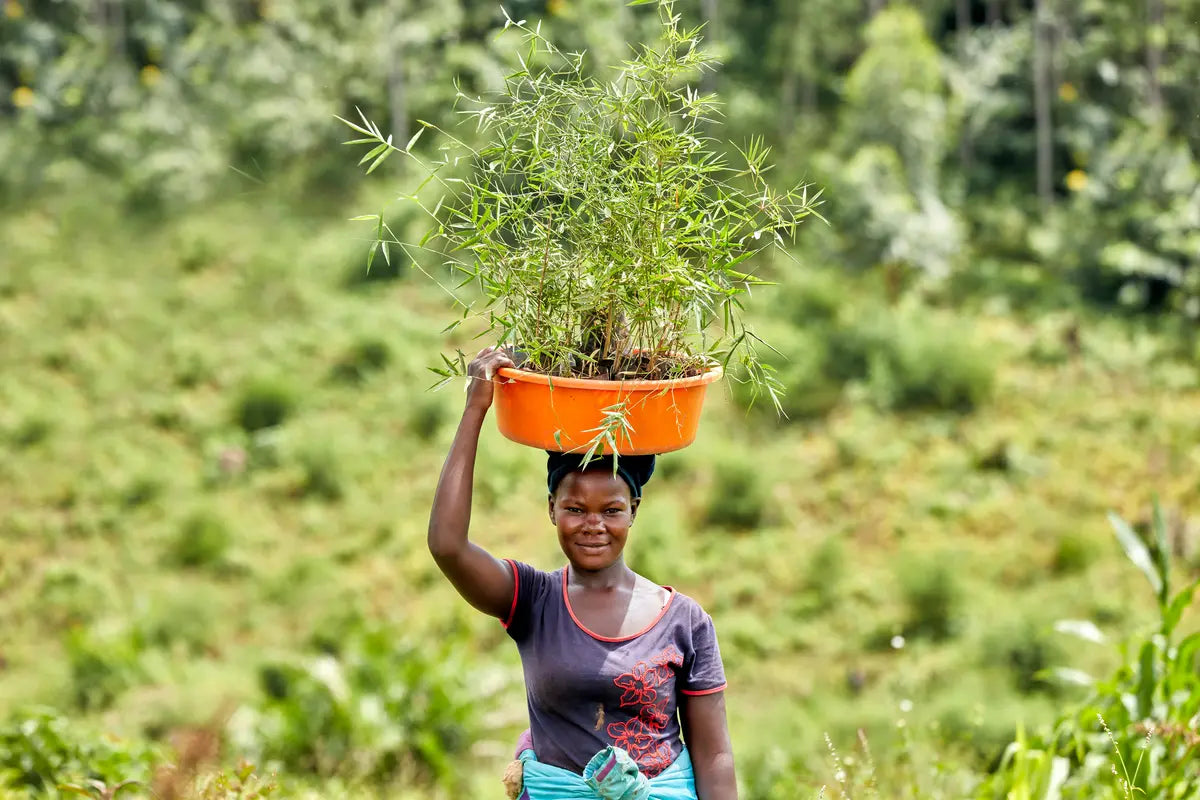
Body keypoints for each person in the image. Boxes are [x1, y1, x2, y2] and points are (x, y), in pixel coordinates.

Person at [428, 346, 738, 800]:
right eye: (575, 508)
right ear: (551, 509)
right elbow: (447, 546)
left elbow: (714, 757)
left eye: (611, 509)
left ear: (633, 511)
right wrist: (476, 406)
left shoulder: (685, 622)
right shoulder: (532, 600)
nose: (593, 524)